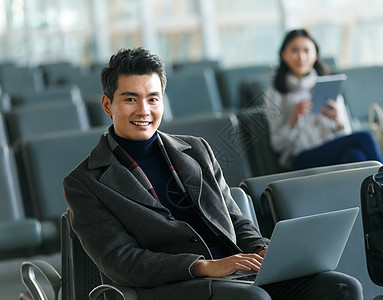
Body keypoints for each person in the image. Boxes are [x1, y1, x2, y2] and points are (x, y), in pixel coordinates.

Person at [63, 47, 363, 300]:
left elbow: (234, 219)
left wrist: (262, 249)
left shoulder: (197, 149)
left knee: (342, 286)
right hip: (181, 286)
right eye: (130, 99)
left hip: (238, 271)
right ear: (107, 104)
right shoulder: (85, 182)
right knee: (254, 298)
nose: (144, 110)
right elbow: (122, 262)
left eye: (153, 98)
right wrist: (204, 266)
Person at [264, 29, 383, 170]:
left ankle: (378, 190)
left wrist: (339, 122)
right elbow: (277, 145)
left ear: (315, 55)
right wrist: (294, 120)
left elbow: (345, 132)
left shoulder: (329, 85)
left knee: (355, 156)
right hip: (302, 158)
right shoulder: (274, 94)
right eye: (295, 51)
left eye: (307, 51)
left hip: (333, 151)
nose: (301, 57)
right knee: (364, 137)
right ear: (284, 55)